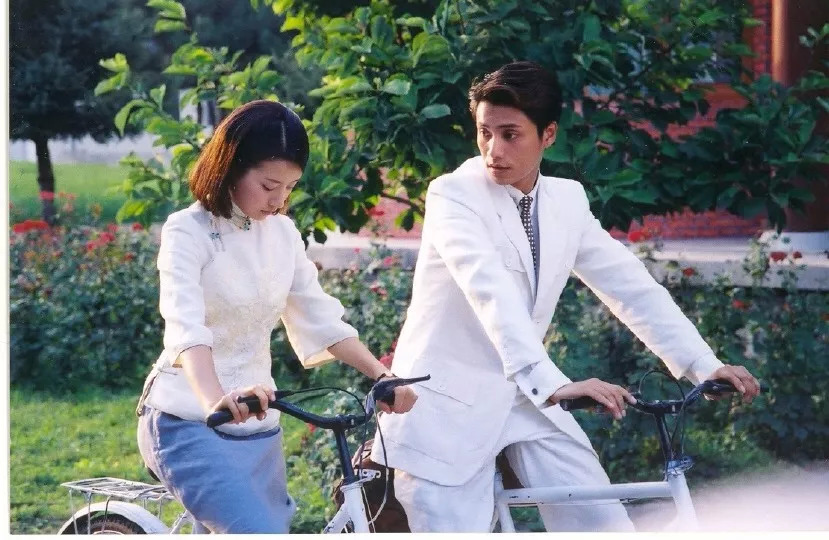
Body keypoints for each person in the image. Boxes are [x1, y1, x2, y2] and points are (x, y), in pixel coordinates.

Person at [370, 61, 761, 532]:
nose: (493, 149)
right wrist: (552, 384)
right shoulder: (453, 195)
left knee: (601, 520)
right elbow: (487, 289)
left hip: (523, 400)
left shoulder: (567, 200)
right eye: (485, 133)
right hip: (445, 410)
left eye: (510, 134)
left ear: (548, 135)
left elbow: (630, 286)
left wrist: (702, 364)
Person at [135, 100, 418, 534]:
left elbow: (320, 316)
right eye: (269, 185)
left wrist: (383, 375)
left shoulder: (283, 233)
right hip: (189, 417)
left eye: (290, 187)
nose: (279, 200)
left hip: (259, 418)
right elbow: (185, 326)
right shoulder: (187, 230)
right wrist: (214, 400)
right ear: (230, 167)